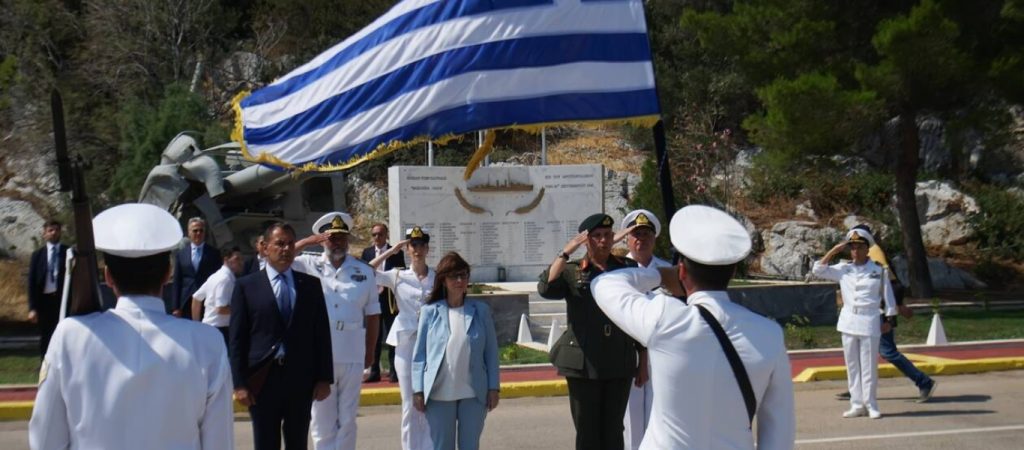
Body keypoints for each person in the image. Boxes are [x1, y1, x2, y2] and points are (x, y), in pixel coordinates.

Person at [29, 203, 233, 449]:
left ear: (108, 276)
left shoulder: (70, 336)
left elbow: (45, 440)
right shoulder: (207, 342)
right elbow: (219, 443)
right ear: (168, 273)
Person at [592, 205, 795, 449]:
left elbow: (605, 285)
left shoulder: (665, 318)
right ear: (731, 271)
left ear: (683, 272)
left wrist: (659, 276)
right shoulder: (769, 334)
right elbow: (779, 436)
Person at [538, 213, 639, 450]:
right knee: (587, 431)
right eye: (597, 236)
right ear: (587, 240)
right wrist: (566, 251)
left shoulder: (627, 268)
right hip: (584, 363)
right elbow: (545, 287)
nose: (603, 241)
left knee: (614, 430)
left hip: (618, 358)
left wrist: (641, 356)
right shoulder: (572, 271)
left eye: (607, 235)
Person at [230, 222, 333, 450]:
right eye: (279, 244)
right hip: (263, 378)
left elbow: (321, 334)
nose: (286, 249)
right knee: (266, 441)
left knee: (298, 441)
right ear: (265, 248)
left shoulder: (310, 286)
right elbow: (237, 339)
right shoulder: (246, 287)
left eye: (289, 244)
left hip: (300, 378)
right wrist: (239, 383)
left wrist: (324, 377)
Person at [292, 212, 380, 450]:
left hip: (352, 348)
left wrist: (370, 351)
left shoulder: (363, 271)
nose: (337, 242)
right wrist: (307, 241)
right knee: (321, 416)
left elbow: (373, 315)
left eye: (341, 237)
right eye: (331, 238)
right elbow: (282, 257)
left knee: (348, 416)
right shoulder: (309, 264)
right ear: (323, 240)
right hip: (320, 351)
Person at [834, 224, 938, 403]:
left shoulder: (873, 253)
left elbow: (891, 284)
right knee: (860, 351)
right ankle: (857, 390)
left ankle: (924, 382)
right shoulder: (870, 252)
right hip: (867, 314)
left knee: (888, 352)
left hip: (877, 313)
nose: (853, 245)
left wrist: (895, 308)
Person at [411, 252, 500, 450]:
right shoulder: (429, 312)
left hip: (473, 393)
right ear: (443, 280)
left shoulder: (480, 310)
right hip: (439, 393)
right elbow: (419, 356)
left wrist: (493, 387)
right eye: (454, 276)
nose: (460, 280)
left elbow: (491, 353)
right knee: (442, 446)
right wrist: (417, 389)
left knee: (470, 445)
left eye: (463, 275)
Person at [813, 227, 897, 419]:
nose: (855, 251)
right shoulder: (843, 269)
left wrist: (890, 319)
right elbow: (818, 270)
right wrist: (834, 251)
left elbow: (888, 297)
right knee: (852, 366)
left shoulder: (878, 271)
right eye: (852, 247)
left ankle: (871, 404)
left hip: (869, 320)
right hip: (849, 321)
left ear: (867, 249)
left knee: (868, 366)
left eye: (859, 247)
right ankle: (857, 404)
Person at [370, 226, 435, 450]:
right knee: (409, 404)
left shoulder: (436, 277)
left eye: (421, 245)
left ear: (427, 248)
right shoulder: (397, 275)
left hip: (430, 344)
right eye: (412, 245)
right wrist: (390, 251)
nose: (417, 249)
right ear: (407, 249)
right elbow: (366, 271)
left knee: (428, 401)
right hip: (406, 344)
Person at [614, 209, 671, 450]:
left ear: (654, 238)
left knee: (662, 414)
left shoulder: (668, 271)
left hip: (662, 354)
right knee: (631, 417)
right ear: (627, 238)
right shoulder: (618, 271)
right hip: (628, 353)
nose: (641, 239)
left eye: (646, 234)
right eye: (636, 234)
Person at [362, 223, 405, 383]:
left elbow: (400, 275)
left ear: (386, 235)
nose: (377, 237)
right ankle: (374, 370)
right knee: (374, 337)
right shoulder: (367, 252)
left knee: (392, 337)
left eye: (380, 234)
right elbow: (362, 274)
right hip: (373, 299)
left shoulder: (395, 252)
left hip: (389, 300)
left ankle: (394, 372)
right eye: (374, 234)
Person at [26, 220, 69, 358]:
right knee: (46, 335)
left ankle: (63, 365)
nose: (54, 232)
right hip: (44, 302)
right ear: (44, 234)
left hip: (62, 300)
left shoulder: (68, 252)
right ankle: (45, 366)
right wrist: (32, 308)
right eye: (50, 230)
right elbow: (31, 283)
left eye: (56, 229)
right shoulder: (37, 255)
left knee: (64, 334)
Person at [191, 245, 244, 346]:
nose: (241, 262)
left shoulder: (215, 276)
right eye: (237, 259)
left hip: (209, 328)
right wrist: (241, 309)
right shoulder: (225, 279)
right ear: (226, 260)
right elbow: (220, 309)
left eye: (241, 259)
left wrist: (197, 325)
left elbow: (196, 298)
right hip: (220, 330)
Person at [172, 217, 222, 318]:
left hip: (206, 300)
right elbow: (177, 281)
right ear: (189, 233)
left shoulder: (214, 253)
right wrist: (176, 307)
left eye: (201, 230)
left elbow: (218, 279)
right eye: (195, 230)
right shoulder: (181, 254)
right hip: (186, 301)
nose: (198, 233)